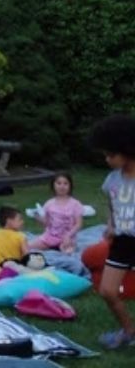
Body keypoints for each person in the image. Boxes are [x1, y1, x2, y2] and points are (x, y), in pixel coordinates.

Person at [88, 115, 135, 349]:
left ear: (128, 150)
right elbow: (112, 203)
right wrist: (110, 224)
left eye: (111, 155)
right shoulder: (112, 180)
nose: (107, 160)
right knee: (107, 291)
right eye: (105, 155)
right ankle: (129, 331)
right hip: (122, 242)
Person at [28, 173, 83, 254]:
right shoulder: (49, 204)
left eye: (65, 183)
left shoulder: (75, 204)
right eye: (59, 183)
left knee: (67, 253)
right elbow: (47, 223)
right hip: (50, 237)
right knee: (28, 246)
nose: (62, 186)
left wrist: (68, 236)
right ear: (53, 185)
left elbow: (79, 224)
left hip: (68, 238)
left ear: (70, 186)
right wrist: (37, 217)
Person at [0, 206, 28, 275]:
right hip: (13, 269)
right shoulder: (21, 236)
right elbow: (27, 257)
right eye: (20, 219)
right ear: (9, 221)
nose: (23, 222)